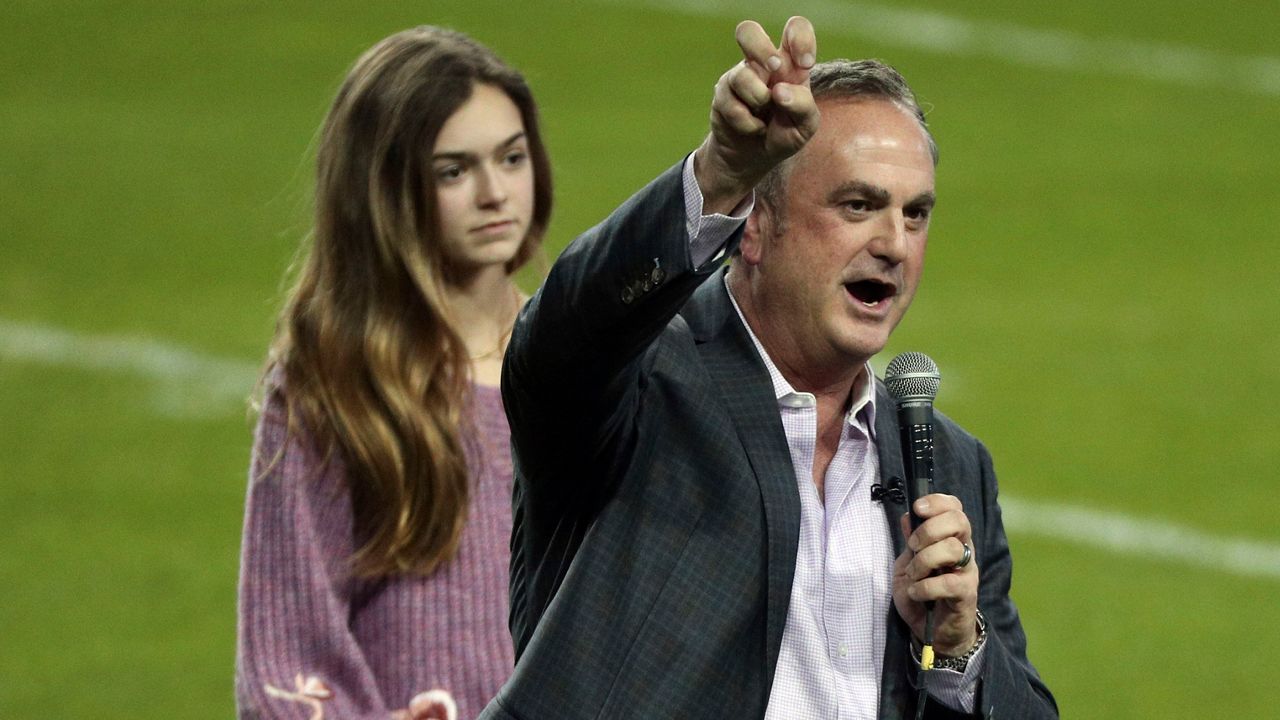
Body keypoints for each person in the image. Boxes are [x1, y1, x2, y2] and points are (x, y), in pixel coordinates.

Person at [482, 17, 1056, 720]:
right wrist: (718, 173)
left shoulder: (949, 467)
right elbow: (564, 337)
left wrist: (961, 652)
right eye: (858, 204)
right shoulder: (641, 387)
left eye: (916, 214)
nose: (895, 245)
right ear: (754, 223)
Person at [235, 26, 552, 720]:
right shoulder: (333, 386)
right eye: (454, 170)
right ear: (383, 190)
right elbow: (283, 667)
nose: (496, 192)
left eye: (512, 157)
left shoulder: (578, 360)